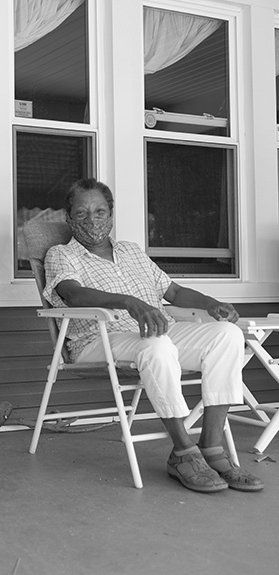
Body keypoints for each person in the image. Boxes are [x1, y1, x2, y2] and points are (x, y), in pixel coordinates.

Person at [43, 178, 263, 493]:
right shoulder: (61, 254)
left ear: (111, 214)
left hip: (156, 332)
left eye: (100, 211)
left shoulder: (132, 251)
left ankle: (212, 447)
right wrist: (128, 302)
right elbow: (73, 295)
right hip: (98, 340)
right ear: (68, 218)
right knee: (157, 347)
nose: (92, 220)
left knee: (226, 335)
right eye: (81, 214)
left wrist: (209, 303)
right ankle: (183, 453)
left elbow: (170, 290)